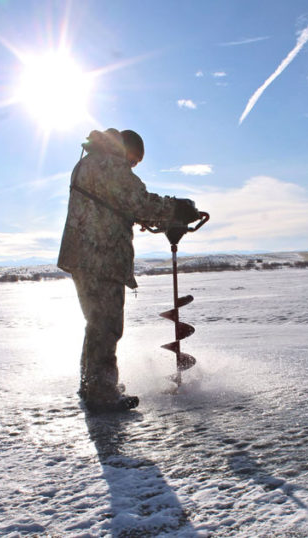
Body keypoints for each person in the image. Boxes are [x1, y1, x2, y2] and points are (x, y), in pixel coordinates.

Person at [58, 128, 200, 412]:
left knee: (96, 324)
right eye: (134, 160)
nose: (133, 166)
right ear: (125, 149)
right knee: (106, 325)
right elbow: (140, 202)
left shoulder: (91, 162)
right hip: (100, 256)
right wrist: (177, 208)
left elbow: (120, 206)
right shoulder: (109, 164)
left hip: (84, 256)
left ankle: (94, 385)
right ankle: (101, 394)